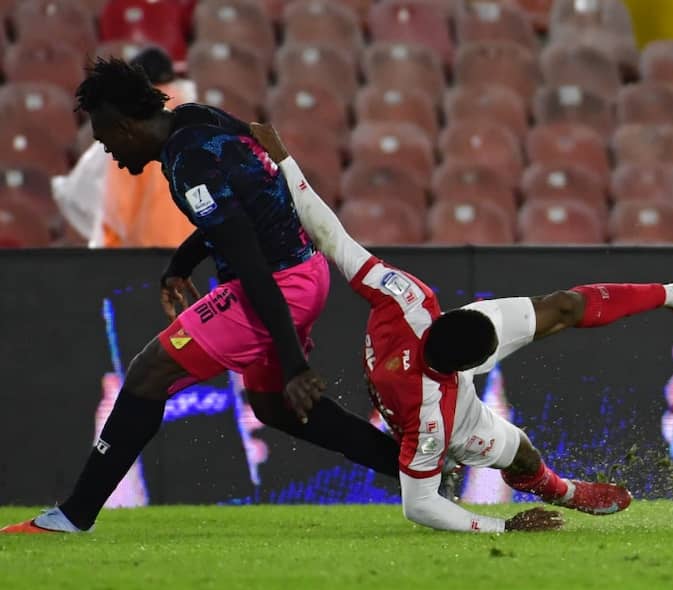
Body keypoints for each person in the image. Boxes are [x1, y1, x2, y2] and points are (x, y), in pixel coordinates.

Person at [249, 123, 673, 532]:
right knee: (521, 454)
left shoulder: (408, 300)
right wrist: (503, 527)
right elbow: (417, 505)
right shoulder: (432, 418)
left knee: (563, 306)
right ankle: (562, 491)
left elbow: (330, 234)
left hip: (428, 351)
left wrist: (286, 160)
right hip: (436, 405)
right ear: (472, 367)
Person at [2, 58, 400, 534]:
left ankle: (73, 514)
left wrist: (294, 363)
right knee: (276, 409)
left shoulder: (188, 165)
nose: (109, 152)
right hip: (303, 270)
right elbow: (248, 206)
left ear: (124, 126)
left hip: (277, 285)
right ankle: (414, 469)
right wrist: (181, 265)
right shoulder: (197, 119)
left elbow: (249, 260)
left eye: (106, 141)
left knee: (150, 371)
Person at [51, 46, 197, 247]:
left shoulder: (126, 124)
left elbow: (105, 203)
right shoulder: (197, 119)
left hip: (146, 255)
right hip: (199, 254)